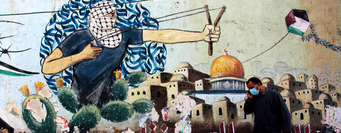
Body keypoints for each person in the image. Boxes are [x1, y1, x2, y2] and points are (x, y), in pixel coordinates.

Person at [42, 0, 220, 107]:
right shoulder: (79, 37)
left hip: (109, 98)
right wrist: (82, 55)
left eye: (113, 15)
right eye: (107, 15)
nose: (112, 19)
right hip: (80, 98)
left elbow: (161, 35)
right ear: (95, 17)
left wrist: (201, 35)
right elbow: (48, 67)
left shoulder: (123, 34)